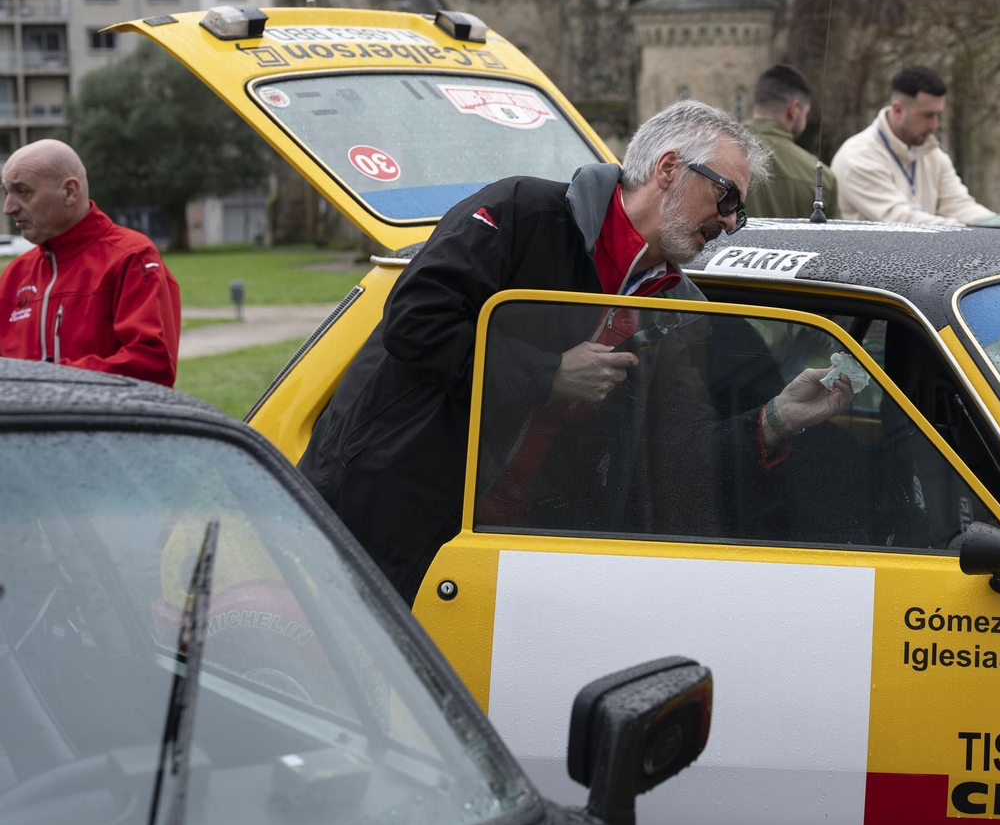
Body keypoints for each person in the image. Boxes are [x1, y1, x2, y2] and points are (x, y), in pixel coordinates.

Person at [298, 101, 857, 600]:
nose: (731, 223)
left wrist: (775, 421)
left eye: (739, 210)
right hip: (381, 517)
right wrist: (548, 374)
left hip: (512, 559)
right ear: (667, 170)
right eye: (726, 197)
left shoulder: (680, 310)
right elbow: (415, 321)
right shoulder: (524, 213)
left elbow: (672, 460)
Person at [0, 138, 181, 385]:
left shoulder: (131, 258)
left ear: (70, 192)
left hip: (105, 424)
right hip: (27, 424)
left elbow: (152, 365)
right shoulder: (15, 274)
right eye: (6, 193)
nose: (8, 208)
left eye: (22, 192)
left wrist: (44, 380)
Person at [832, 65, 994, 224]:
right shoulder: (857, 157)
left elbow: (960, 206)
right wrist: (969, 232)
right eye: (928, 115)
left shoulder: (932, 154)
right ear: (897, 110)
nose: (935, 125)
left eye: (938, 115)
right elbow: (900, 221)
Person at [743, 64, 839, 219]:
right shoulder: (822, 178)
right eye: (805, 113)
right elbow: (836, 240)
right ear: (794, 109)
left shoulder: (713, 157)